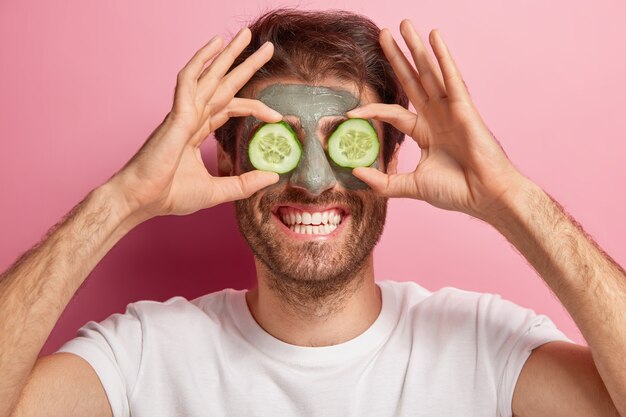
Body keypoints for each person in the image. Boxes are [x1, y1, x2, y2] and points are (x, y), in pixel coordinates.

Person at [0, 7, 623, 417]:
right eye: (283, 143)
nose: (313, 182)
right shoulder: (143, 355)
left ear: (391, 156)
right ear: (227, 161)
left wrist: (511, 198)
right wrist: (121, 200)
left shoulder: (486, 347)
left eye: (344, 140)